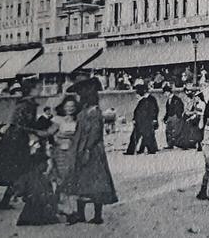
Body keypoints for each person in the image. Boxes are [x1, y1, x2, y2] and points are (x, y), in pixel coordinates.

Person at [62, 77, 118, 225]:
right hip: (82, 149)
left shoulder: (94, 112)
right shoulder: (84, 111)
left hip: (92, 150)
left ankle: (97, 215)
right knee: (82, 181)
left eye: (81, 94)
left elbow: (95, 133)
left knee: (95, 183)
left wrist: (86, 149)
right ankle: (81, 214)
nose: (79, 97)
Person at [0, 79, 41, 210]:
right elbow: (21, 125)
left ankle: (9, 199)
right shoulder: (27, 105)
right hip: (17, 140)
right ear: (31, 90)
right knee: (17, 169)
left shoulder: (24, 104)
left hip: (14, 138)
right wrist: (37, 131)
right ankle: (12, 198)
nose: (40, 90)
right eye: (38, 88)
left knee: (14, 169)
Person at [47, 95, 79, 216]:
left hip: (74, 152)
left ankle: (67, 207)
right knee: (61, 178)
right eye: (67, 106)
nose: (70, 109)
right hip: (60, 152)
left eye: (72, 106)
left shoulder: (78, 121)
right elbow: (49, 133)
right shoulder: (58, 120)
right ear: (63, 107)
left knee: (71, 179)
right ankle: (63, 208)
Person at [12, 150, 59, 226]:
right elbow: (19, 187)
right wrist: (17, 193)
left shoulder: (44, 178)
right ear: (37, 165)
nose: (47, 165)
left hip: (42, 206)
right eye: (44, 163)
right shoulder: (29, 177)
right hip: (33, 205)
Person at [125, 82, 159, 155]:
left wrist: (154, 119)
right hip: (140, 122)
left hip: (145, 122)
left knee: (146, 137)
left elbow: (154, 110)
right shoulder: (144, 100)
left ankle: (150, 150)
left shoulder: (149, 99)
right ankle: (133, 151)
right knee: (140, 136)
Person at [162, 84, 185, 150]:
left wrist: (177, 115)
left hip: (175, 117)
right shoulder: (168, 100)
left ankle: (179, 144)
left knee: (177, 131)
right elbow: (168, 110)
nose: (165, 95)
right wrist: (165, 118)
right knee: (168, 131)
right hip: (170, 117)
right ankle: (170, 144)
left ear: (168, 92)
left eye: (165, 93)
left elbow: (181, 108)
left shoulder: (177, 99)